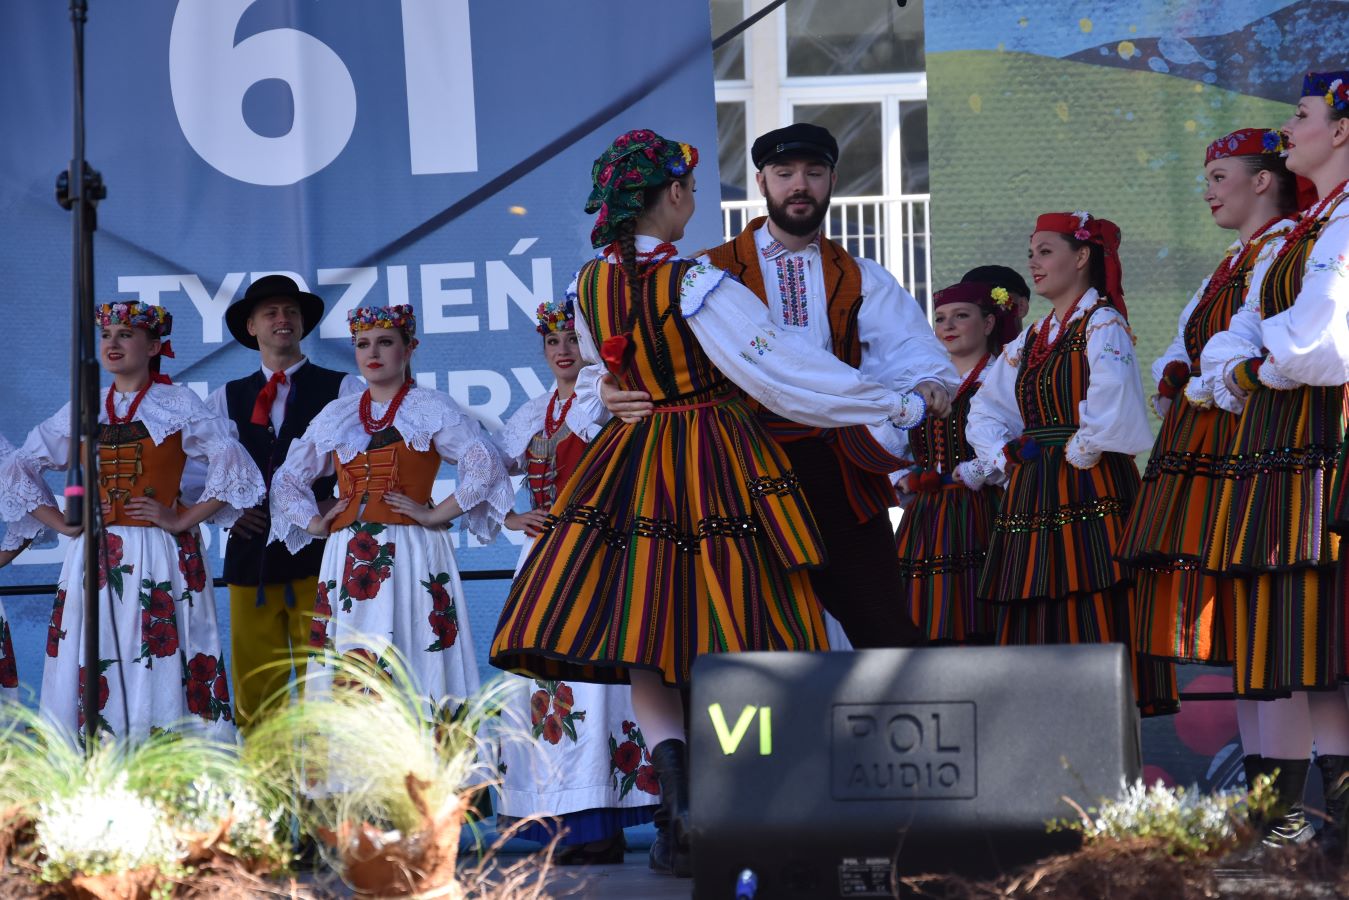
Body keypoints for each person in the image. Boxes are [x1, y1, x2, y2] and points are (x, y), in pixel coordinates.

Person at [490, 129, 926, 877]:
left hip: (636, 468)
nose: (694, 201)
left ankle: (683, 807)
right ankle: (760, 809)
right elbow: (782, 373)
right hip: (716, 459)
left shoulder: (588, 282)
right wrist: (894, 404)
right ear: (671, 195)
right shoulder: (697, 280)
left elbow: (599, 371)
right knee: (754, 623)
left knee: (650, 641)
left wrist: (613, 391)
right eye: (690, 189)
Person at [581, 123, 956, 649]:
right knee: (756, 632)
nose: (799, 184)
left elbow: (912, 347)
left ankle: (897, 704)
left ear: (832, 181)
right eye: (784, 173)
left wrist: (926, 382)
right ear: (761, 182)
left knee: (883, 628)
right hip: (737, 471)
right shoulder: (704, 274)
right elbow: (619, 354)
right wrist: (604, 388)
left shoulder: (862, 275)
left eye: (814, 172)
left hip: (835, 467)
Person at [0, 302, 264, 743]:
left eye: (126, 334)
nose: (113, 343)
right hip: (96, 553)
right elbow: (18, 469)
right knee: (97, 647)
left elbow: (233, 464)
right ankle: (97, 755)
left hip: (161, 551)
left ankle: (168, 754)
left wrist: (182, 517)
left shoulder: (177, 403)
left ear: (154, 346)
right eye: (107, 335)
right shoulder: (84, 407)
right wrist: (64, 524)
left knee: (160, 649)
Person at [1201, 71, 1349, 847]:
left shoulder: (1343, 222)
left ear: (1342, 130)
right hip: (1284, 444)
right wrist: (1242, 363)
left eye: (1301, 114)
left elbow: (1322, 343)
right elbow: (1237, 332)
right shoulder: (1304, 229)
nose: (1287, 127)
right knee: (1297, 640)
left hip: (1325, 442)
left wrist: (1254, 366)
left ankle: (1303, 826)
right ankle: (1296, 826)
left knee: (1315, 640)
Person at [1118, 129, 1298, 727]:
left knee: (1261, 610)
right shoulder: (1232, 263)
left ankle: (1299, 774)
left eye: (1220, 178)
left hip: (1249, 439)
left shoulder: (1283, 249)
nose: (1208, 192)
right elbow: (1187, 337)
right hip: (1208, 441)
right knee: (1233, 624)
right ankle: (1265, 776)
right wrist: (1176, 374)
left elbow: (1263, 342)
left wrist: (1201, 382)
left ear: (1263, 180)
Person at [267, 304, 513, 721]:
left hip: (412, 546)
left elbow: (484, 461)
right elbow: (288, 479)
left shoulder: (430, 407)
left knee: (417, 643)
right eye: (363, 344)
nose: (373, 352)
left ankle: (424, 751)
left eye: (385, 342)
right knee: (352, 651)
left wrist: (436, 514)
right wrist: (315, 522)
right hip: (347, 554)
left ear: (409, 348)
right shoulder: (338, 414)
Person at [965, 211, 1163, 712]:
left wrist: (1083, 445)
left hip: (1091, 481)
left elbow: (1114, 395)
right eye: (1031, 253)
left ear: (1082, 257)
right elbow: (986, 406)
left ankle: (1104, 719)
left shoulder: (1103, 323)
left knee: (1093, 590)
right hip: (1035, 484)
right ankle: (1050, 719)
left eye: (1045, 251)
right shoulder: (1032, 338)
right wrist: (1001, 454)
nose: (1033, 262)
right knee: (1039, 597)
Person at [492, 300, 655, 866]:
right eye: (552, 341)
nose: (562, 350)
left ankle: (603, 822)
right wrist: (512, 516)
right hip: (542, 559)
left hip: (600, 553)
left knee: (599, 686)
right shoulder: (531, 414)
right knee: (547, 686)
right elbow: (483, 470)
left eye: (571, 340)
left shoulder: (607, 403)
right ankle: (564, 821)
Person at [207, 274, 361, 728]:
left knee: (328, 676)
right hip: (250, 558)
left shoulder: (344, 388)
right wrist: (229, 512)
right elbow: (196, 471)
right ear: (251, 326)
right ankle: (263, 773)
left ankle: (327, 771)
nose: (283, 319)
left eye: (291, 311)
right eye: (271, 312)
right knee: (256, 686)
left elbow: (368, 457)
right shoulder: (226, 398)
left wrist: (338, 503)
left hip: (321, 554)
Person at [893, 281, 1020, 644]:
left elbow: (1016, 442)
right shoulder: (925, 383)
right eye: (940, 318)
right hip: (925, 515)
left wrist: (978, 470)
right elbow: (890, 438)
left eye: (961, 316)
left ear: (989, 323)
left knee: (980, 617)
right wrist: (902, 475)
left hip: (984, 511)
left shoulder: (1001, 379)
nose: (947, 326)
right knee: (920, 621)